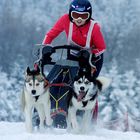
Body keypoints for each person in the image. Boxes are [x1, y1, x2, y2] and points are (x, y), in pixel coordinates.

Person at [41, 0, 106, 125]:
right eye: (76, 15)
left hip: (92, 58)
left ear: (89, 15)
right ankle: (58, 106)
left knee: (84, 84)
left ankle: (86, 113)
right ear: (71, 14)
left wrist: (90, 53)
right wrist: (45, 47)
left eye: (84, 16)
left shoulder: (94, 27)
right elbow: (51, 34)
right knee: (64, 77)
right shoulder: (64, 20)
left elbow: (102, 48)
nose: (79, 19)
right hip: (73, 52)